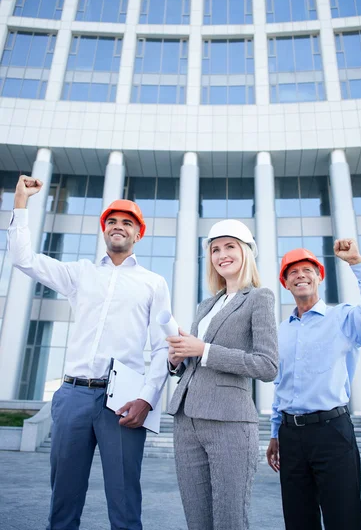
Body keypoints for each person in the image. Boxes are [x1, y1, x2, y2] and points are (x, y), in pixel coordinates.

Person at [8, 175, 171, 530]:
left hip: (124, 402)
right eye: (112, 221)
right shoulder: (79, 274)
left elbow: (162, 347)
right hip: (72, 396)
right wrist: (21, 202)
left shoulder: (153, 283)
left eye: (127, 223)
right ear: (104, 230)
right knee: (63, 500)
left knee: (125, 502)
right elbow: (23, 259)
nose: (118, 227)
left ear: (137, 234)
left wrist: (147, 398)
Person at [266, 240, 361, 530]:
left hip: (332, 433)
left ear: (319, 276)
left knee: (343, 518)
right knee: (298, 521)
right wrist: (275, 432)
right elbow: (280, 384)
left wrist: (357, 263)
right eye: (292, 271)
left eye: (307, 269)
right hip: (290, 436)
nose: (300, 275)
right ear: (285, 283)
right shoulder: (281, 331)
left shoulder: (344, 318)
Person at [167, 219, 278, 530]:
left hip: (230, 423)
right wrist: (176, 359)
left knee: (229, 520)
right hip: (187, 421)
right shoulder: (206, 305)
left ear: (245, 252)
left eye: (230, 247)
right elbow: (193, 360)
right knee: (197, 521)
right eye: (215, 249)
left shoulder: (259, 297)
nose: (221, 254)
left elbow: (267, 365)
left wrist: (204, 350)